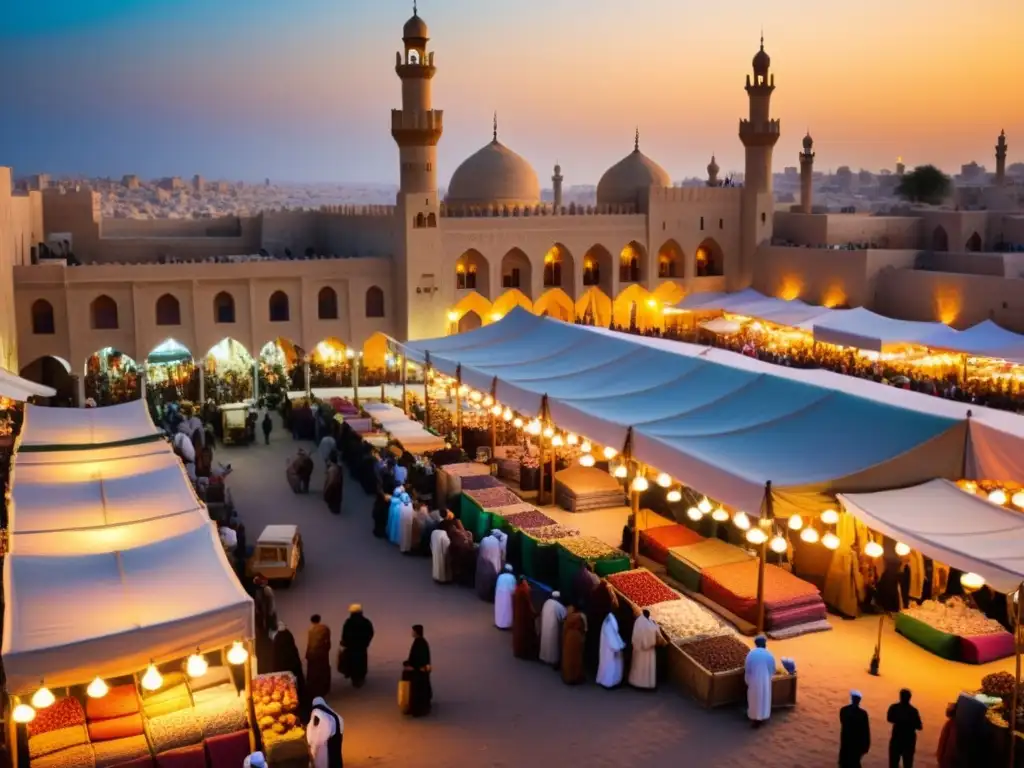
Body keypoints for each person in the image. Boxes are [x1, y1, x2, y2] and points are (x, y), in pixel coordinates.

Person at [271, 621, 308, 716]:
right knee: (296, 689)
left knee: (286, 691)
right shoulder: (288, 635)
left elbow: (276, 656)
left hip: (282, 668)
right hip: (293, 666)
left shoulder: (277, 638)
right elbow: (293, 650)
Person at [339, 604, 375, 689]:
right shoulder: (366, 621)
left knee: (352, 663)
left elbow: (344, 634)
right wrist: (366, 642)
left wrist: (345, 643)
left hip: (351, 647)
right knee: (361, 663)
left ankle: (354, 680)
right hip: (362, 647)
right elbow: (371, 633)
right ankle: (360, 679)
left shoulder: (349, 622)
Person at [744, 635, 776, 728]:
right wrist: (768, 676)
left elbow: (747, 668)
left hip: (753, 680)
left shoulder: (751, 654)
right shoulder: (769, 654)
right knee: (764, 698)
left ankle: (755, 718)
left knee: (754, 699)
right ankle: (763, 716)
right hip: (765, 680)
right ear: (764, 644)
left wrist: (748, 680)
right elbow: (772, 669)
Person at [627, 608, 664, 690]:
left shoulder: (650, 620)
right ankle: (638, 683)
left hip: (649, 649)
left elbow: (654, 629)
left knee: (648, 667)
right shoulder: (639, 622)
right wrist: (647, 642)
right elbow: (637, 635)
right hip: (641, 649)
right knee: (640, 666)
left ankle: (648, 684)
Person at [887, 689, 922, 767]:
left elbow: (889, 718)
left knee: (893, 764)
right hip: (908, 742)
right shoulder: (913, 711)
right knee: (907, 764)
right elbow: (919, 726)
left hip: (897, 740)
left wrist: (900, 720)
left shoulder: (894, 707)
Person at [404, 625, 432, 717]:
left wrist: (411, 665)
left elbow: (418, 658)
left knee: (416, 690)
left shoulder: (419, 643)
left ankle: (417, 710)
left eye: (413, 631)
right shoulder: (421, 642)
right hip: (420, 670)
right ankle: (416, 709)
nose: (412, 633)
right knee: (418, 690)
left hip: (419, 671)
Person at [307, 696, 343, 768]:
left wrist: (313, 748)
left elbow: (318, 734)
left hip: (329, 740)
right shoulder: (331, 713)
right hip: (337, 737)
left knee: (328, 760)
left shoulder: (317, 713)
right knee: (336, 756)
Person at [839, 690, 871, 767]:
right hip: (853, 744)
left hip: (848, 743)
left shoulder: (844, 710)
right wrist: (866, 746)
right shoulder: (862, 714)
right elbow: (866, 730)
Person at [596, 612, 626, 689]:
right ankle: (609, 683)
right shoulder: (609, 624)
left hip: (608, 649)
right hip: (610, 650)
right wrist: (619, 646)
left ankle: (609, 681)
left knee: (608, 665)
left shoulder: (609, 621)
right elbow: (612, 638)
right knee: (611, 667)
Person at [306, 615, 332, 700]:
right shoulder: (325, 628)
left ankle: (314, 690)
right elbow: (328, 642)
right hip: (322, 654)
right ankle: (323, 688)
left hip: (313, 654)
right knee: (323, 671)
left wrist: (308, 654)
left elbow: (309, 644)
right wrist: (326, 650)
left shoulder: (311, 630)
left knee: (314, 672)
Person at [512, 577, 539, 660]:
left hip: (518, 617)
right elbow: (529, 606)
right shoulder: (524, 591)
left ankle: (519, 651)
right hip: (524, 618)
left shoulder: (516, 591)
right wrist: (535, 614)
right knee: (525, 635)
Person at [538, 591, 568, 667]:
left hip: (545, 625)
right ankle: (552, 660)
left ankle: (543, 657)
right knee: (552, 645)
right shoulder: (558, 606)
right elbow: (564, 615)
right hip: (553, 628)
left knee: (545, 642)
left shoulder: (547, 602)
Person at [561, 607, 587, 685]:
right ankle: (575, 677)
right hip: (577, 640)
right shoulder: (581, 618)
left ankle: (567, 676)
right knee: (576, 659)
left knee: (567, 658)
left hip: (568, 640)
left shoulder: (568, 620)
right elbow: (585, 629)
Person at [475, 532, 503, 601]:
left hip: (483, 563)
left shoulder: (484, 540)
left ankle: (483, 594)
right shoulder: (497, 541)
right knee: (492, 580)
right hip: (494, 564)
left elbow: (480, 550)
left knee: (483, 579)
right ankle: (489, 596)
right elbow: (499, 554)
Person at [936, 702, 957, 768]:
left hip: (946, 759)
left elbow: (943, 741)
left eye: (949, 708)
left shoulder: (950, 724)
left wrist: (940, 757)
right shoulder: (955, 724)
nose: (947, 710)